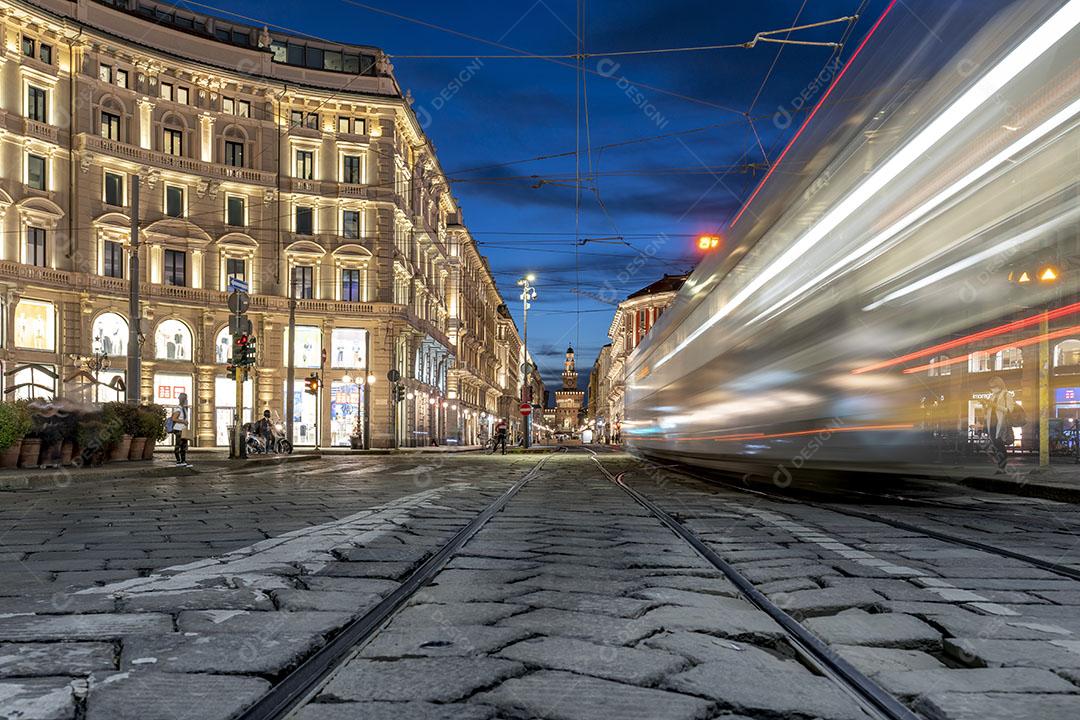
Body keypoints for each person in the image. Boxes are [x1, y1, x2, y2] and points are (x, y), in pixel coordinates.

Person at [985, 376, 1015, 473]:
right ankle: (1000, 466)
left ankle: (1002, 468)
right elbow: (989, 412)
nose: (992, 388)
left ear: (999, 385)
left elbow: (1009, 410)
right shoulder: (992, 396)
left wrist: (995, 406)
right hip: (992, 424)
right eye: (990, 387)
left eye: (993, 386)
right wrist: (985, 405)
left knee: (1000, 445)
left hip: (1001, 424)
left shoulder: (1007, 395)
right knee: (996, 445)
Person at [170, 393, 192, 467]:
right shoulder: (178, 409)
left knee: (184, 446)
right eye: (186, 399)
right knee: (178, 445)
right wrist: (183, 421)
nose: (186, 400)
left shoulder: (183, 409)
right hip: (178, 429)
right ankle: (178, 461)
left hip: (183, 430)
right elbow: (174, 419)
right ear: (183, 400)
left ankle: (183, 461)